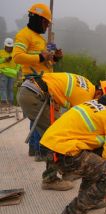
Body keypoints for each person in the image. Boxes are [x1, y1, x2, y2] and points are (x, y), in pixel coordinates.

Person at [17, 72, 106, 191]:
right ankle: (50, 179)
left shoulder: (87, 86)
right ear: (100, 93)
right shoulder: (85, 97)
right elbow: (78, 126)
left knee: (58, 132)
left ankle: (65, 170)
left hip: (32, 91)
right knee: (56, 137)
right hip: (33, 96)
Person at [12, 3, 63, 158]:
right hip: (33, 81)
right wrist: (41, 56)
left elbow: (44, 62)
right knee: (40, 116)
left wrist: (54, 58)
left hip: (43, 81)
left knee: (37, 116)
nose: (47, 26)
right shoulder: (24, 35)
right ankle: (41, 150)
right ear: (38, 19)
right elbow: (17, 57)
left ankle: (35, 148)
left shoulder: (39, 39)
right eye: (46, 22)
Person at [0, 38, 20, 107]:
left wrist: (16, 71)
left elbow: (18, 63)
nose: (9, 48)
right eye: (8, 47)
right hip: (3, 73)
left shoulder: (14, 53)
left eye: (10, 47)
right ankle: (4, 103)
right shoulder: (1, 52)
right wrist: (4, 59)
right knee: (3, 88)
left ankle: (10, 104)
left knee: (10, 89)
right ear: (5, 46)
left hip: (12, 74)